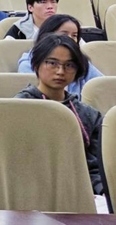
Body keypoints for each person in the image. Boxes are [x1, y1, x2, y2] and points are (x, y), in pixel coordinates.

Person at [14, 34, 104, 196]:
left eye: (69, 65)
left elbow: (95, 167)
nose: (60, 71)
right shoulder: (18, 108)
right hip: (28, 193)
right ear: (36, 64)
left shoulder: (88, 115)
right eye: (52, 63)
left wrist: (101, 192)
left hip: (80, 192)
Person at [17, 14, 103, 99]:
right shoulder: (28, 64)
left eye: (74, 35)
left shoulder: (81, 61)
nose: (70, 39)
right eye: (52, 63)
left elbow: (101, 85)